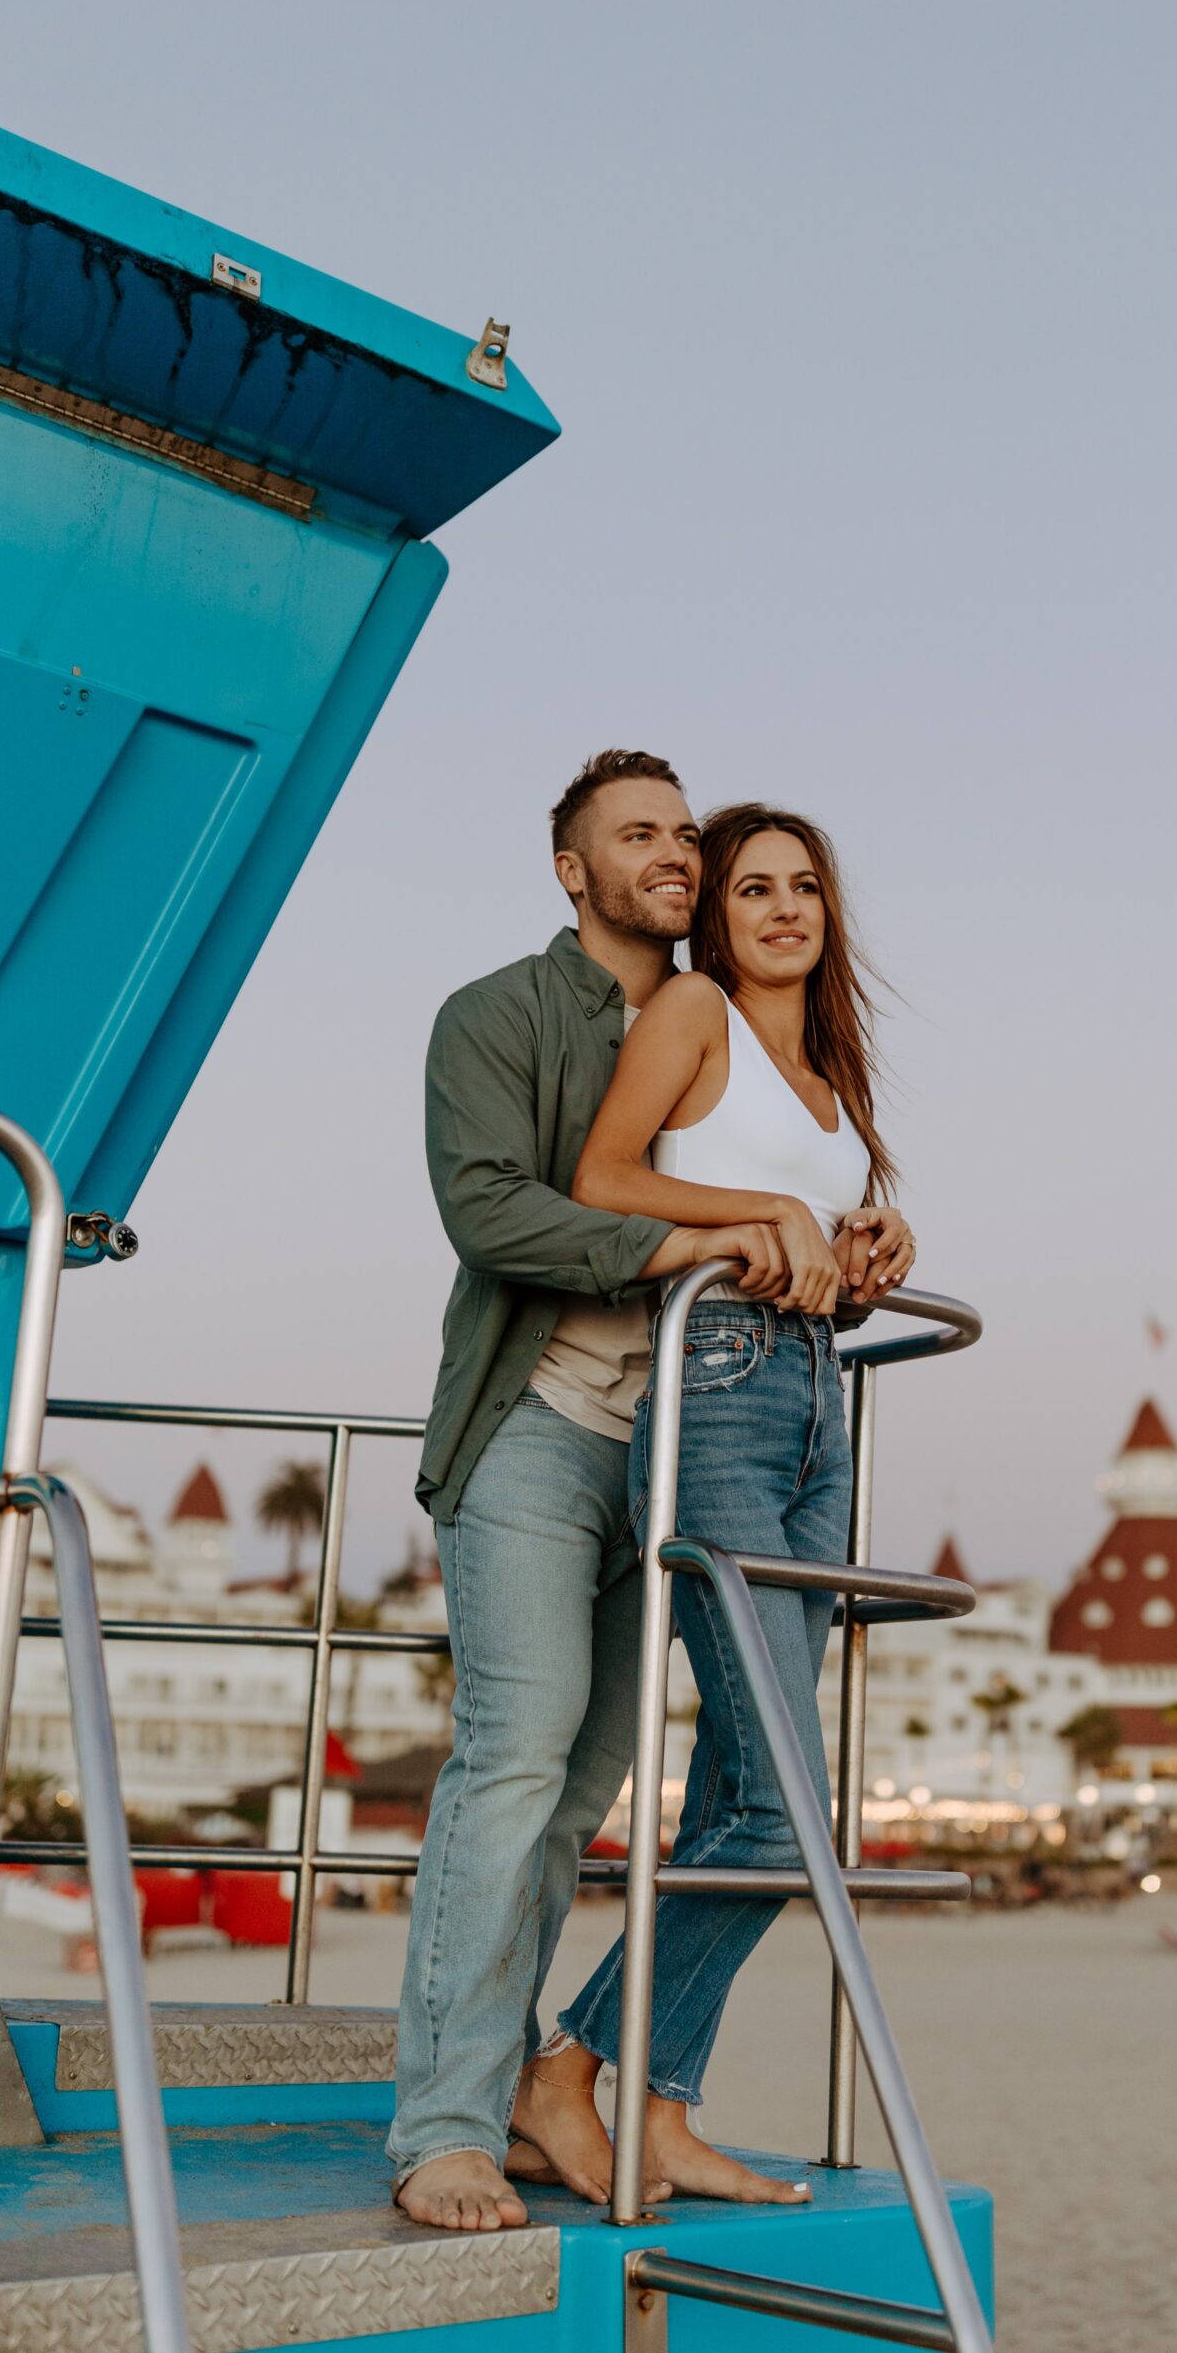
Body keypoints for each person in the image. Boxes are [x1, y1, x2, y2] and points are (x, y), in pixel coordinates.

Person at [389, 750, 791, 2234]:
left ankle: (539, 2074)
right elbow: (488, 1207)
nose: (674, 853)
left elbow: (778, 1195)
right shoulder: (494, 1014)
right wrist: (682, 1247)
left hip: (688, 1453)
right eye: (639, 834)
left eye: (686, 831)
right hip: (538, 1428)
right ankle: (443, 2129)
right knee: (511, 1760)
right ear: (575, 869)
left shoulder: (728, 1025)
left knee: (579, 1794)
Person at [508, 801, 914, 2209]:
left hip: (817, 1402)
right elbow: (602, 1182)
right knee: (783, 1795)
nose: (785, 908)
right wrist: (767, 1214)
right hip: (722, 1391)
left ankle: (662, 2103)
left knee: (765, 1791)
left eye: (806, 887)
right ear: (717, 914)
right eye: (754, 887)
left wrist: (864, 1241)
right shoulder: (693, 1011)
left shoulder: (832, 1075)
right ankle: (568, 2065)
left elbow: (805, 1245)